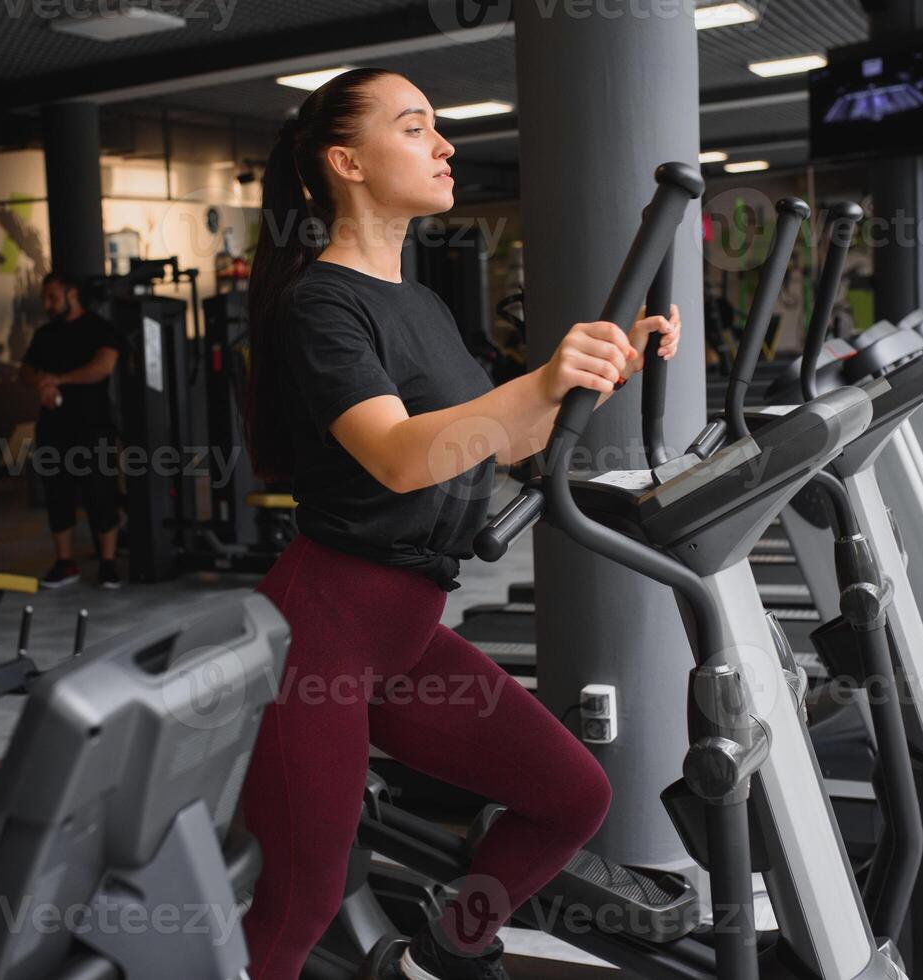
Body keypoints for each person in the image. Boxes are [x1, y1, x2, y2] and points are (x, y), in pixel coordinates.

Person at [239, 69, 682, 980]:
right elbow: (401, 454)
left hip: (404, 634)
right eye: (416, 129)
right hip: (320, 638)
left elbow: (491, 443)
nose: (445, 146)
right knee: (298, 904)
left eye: (439, 128)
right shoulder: (321, 304)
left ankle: (441, 953)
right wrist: (542, 379)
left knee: (570, 797)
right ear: (345, 161)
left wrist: (600, 368)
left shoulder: (425, 305)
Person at [20, 272, 124, 589]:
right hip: (54, 427)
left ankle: (108, 564)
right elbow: (26, 369)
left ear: (72, 294)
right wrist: (41, 383)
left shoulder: (100, 328)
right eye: (45, 299)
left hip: (93, 426)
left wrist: (59, 380)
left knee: (101, 492)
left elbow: (103, 367)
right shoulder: (44, 335)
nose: (47, 304)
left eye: (52, 297)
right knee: (57, 494)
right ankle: (65, 564)